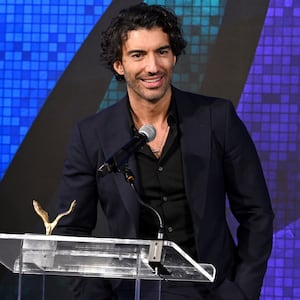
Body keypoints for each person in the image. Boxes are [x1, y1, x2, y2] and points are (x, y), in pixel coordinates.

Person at [55, 3, 274, 300]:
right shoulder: (91, 135)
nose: (153, 66)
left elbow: (256, 213)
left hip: (211, 291)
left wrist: (242, 292)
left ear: (174, 56)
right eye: (137, 55)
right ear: (119, 65)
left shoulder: (217, 119)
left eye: (162, 51)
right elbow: (70, 231)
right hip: (129, 293)